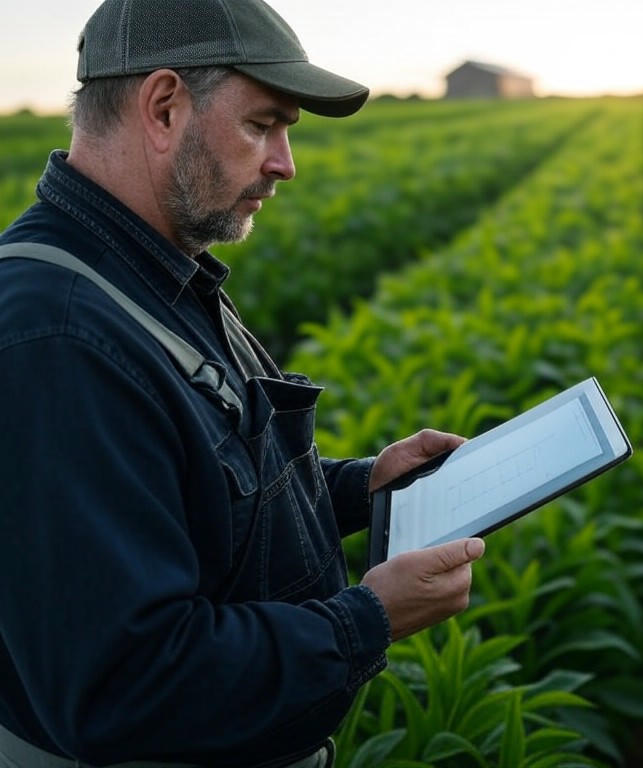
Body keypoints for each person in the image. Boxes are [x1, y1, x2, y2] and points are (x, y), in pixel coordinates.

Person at [0, 1, 486, 766]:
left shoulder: (152, 272)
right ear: (163, 107)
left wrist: (367, 488)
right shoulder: (58, 338)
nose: (285, 162)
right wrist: (368, 621)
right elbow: (126, 686)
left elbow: (195, 499)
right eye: (262, 124)